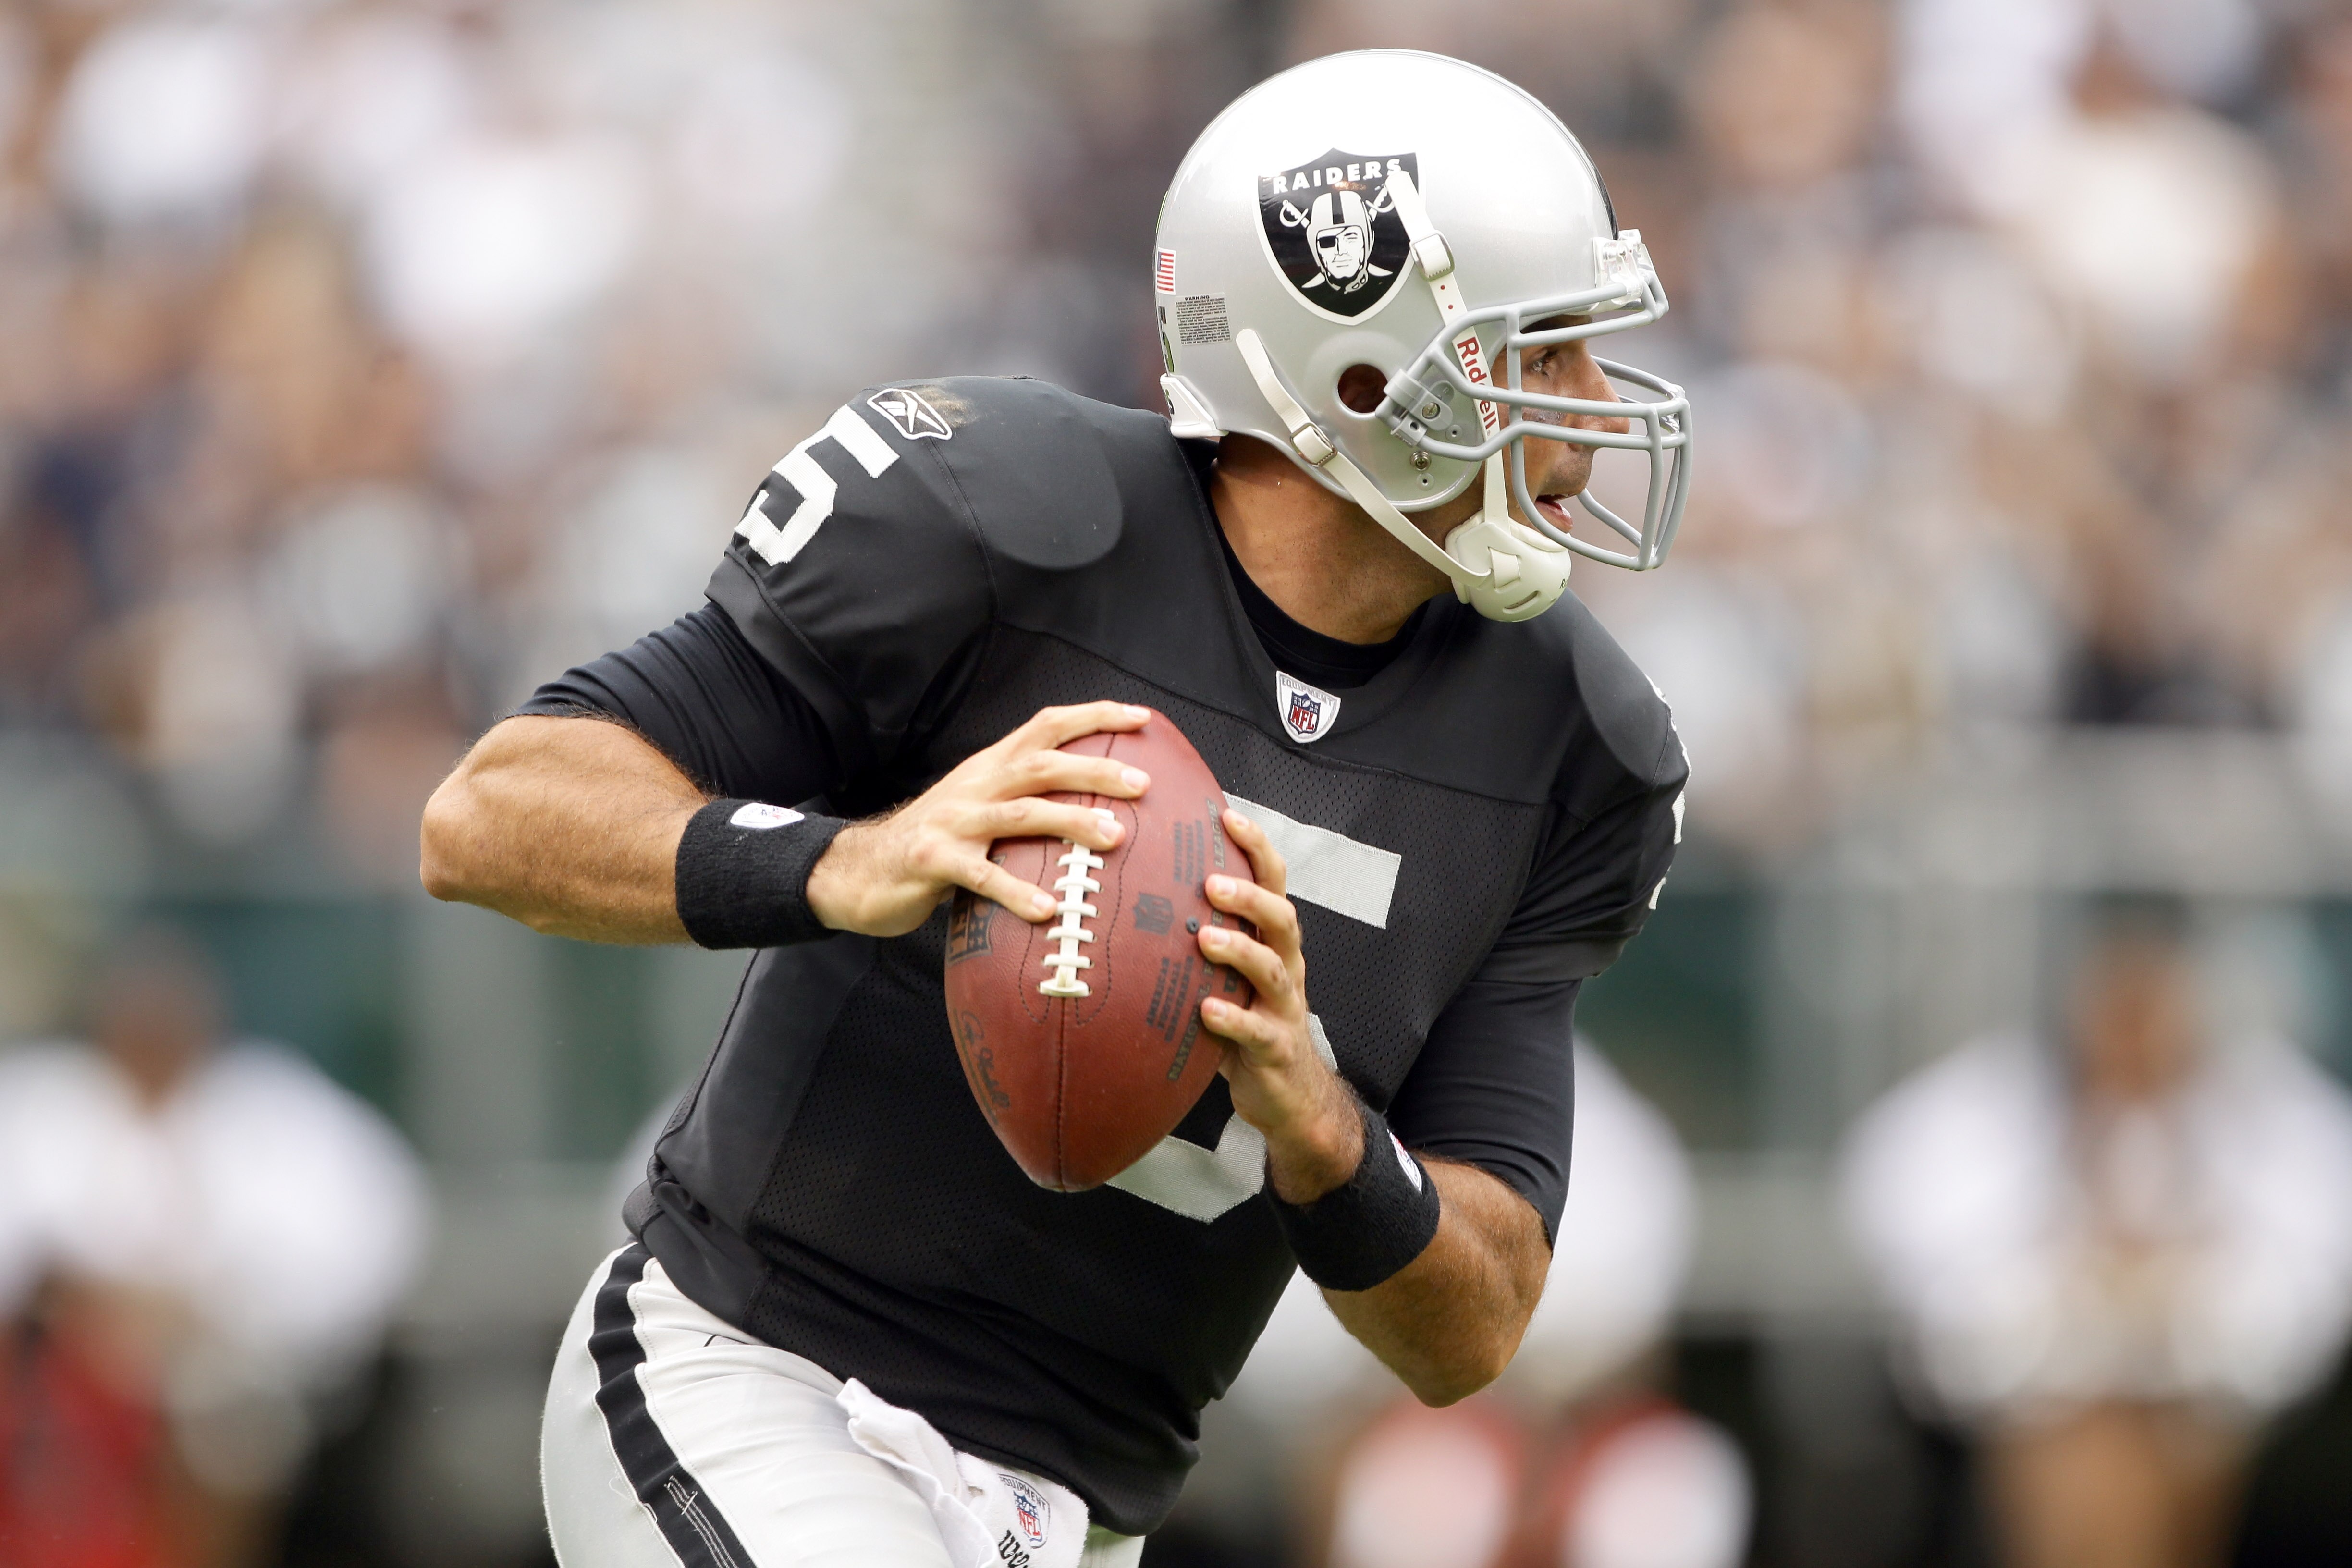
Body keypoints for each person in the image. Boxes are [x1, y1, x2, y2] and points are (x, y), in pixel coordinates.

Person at [422, 50, 1692, 1568]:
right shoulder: (1000, 521)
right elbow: (493, 812)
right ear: (1364, 376)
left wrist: (1318, 1118)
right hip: (760, 1384)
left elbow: (1470, 1325)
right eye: (1540, 356)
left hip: (1079, 1513)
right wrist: (847, 860)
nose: (1591, 411)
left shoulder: (1575, 743)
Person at [1841, 902, 2352, 1568]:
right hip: (2041, 1410)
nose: (2131, 1031)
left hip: (2188, 1415)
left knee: (2151, 1436)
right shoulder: (1970, 1121)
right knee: (2078, 1438)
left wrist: (2157, 1308)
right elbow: (1958, 1337)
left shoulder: (2284, 1130)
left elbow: (2278, 1333)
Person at [0, 926, 431, 1568]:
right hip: (56, 1378)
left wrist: (222, 1307)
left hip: (219, 1373)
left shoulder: (275, 1113)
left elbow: (377, 1235)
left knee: (230, 1428)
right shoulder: (42, 1107)